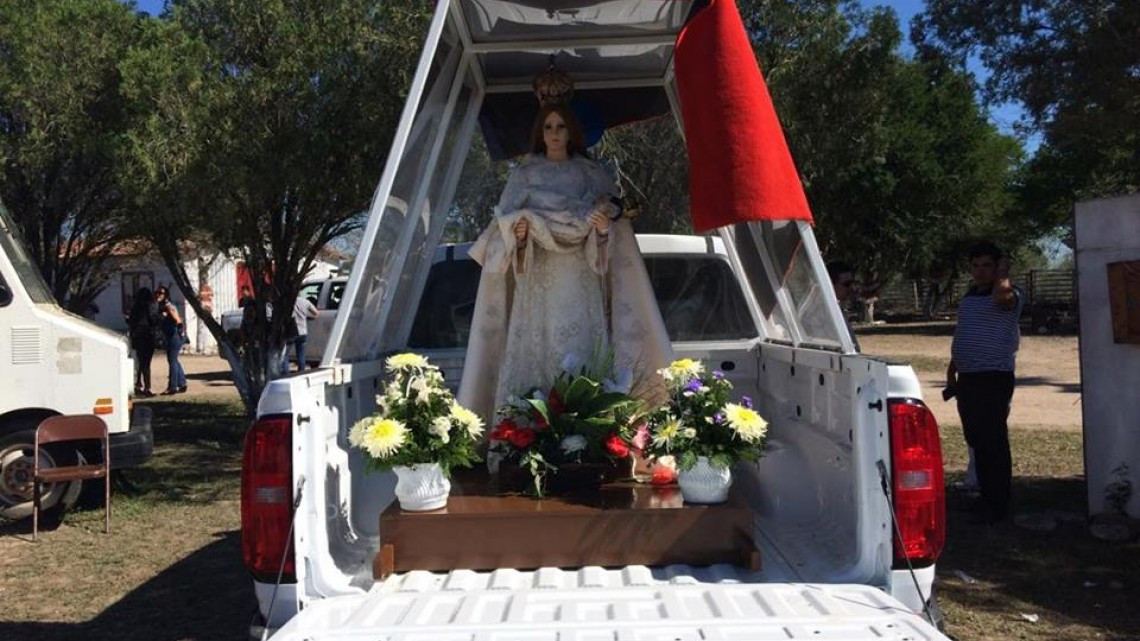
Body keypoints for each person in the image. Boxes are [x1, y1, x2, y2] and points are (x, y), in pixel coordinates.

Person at [458, 103, 672, 421]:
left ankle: (588, 429)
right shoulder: (525, 174)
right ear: (540, 132)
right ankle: (530, 432)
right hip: (539, 281)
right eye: (548, 127)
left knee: (584, 351)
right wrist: (518, 234)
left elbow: (610, 231)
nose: (555, 134)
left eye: (561, 126)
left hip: (580, 278)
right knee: (538, 352)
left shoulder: (591, 174)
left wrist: (600, 231)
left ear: (572, 130)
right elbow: (501, 229)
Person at [946, 242, 1024, 524]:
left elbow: (1003, 295)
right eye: (976, 265)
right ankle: (985, 495)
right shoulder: (969, 297)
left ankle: (998, 503)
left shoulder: (1009, 293)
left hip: (993, 377)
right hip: (968, 378)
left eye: (987, 265)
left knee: (993, 441)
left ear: (997, 267)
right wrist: (952, 369)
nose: (980, 271)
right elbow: (964, 332)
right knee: (976, 439)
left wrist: (1004, 270)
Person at [127, 288, 160, 397]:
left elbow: (131, 322)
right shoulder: (150, 307)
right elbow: (153, 320)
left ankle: (138, 384)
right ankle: (147, 387)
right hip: (147, 336)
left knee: (140, 362)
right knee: (146, 363)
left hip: (137, 337)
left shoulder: (135, 308)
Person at [155, 285, 188, 395]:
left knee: (172, 360)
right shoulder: (162, 307)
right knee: (173, 360)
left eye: (161, 293)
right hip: (170, 336)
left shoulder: (168, 306)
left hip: (174, 336)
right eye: (157, 292)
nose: (158, 295)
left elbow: (178, 320)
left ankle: (172, 387)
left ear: (166, 295)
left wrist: (180, 330)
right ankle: (182, 383)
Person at [826, 260, 861, 351]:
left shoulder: (838, 309)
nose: (851, 288)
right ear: (829, 284)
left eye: (852, 283)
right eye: (846, 284)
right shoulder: (822, 313)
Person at [289, 294, 319, 371]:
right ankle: (301, 372)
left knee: (285, 354)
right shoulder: (305, 301)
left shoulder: (288, 301)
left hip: (292, 330)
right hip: (303, 331)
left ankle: (285, 374)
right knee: (301, 354)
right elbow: (316, 313)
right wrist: (306, 316)